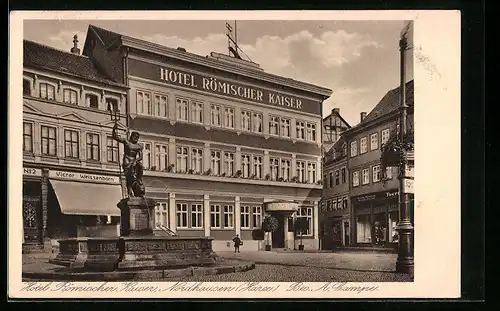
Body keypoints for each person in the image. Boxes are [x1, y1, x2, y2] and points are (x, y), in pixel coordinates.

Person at [112, 123, 145, 197]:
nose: (136, 138)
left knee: (141, 167)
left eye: (137, 137)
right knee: (129, 176)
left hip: (134, 160)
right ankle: (129, 191)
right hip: (127, 160)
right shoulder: (126, 141)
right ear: (131, 136)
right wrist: (114, 129)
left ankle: (139, 182)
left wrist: (135, 161)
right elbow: (115, 137)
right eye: (135, 136)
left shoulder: (138, 146)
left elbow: (141, 157)